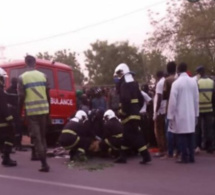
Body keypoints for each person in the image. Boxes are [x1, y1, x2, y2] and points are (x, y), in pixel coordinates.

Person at [113, 63, 151, 164]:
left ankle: (146, 155)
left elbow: (125, 99)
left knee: (135, 136)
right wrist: (136, 109)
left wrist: (122, 111)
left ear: (122, 73)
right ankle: (123, 156)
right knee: (126, 136)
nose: (117, 78)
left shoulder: (124, 84)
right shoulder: (134, 83)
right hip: (134, 114)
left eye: (118, 74)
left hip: (128, 115)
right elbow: (140, 99)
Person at [18, 55, 50, 172]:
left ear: (25, 63)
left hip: (32, 113)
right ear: (35, 63)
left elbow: (21, 97)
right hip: (44, 111)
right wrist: (49, 112)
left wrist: (19, 113)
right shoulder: (44, 76)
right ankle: (44, 160)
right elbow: (48, 95)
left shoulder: (22, 78)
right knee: (42, 137)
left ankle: (44, 164)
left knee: (37, 138)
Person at [168, 62, 199, 163]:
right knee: (190, 135)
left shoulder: (176, 83)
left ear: (178, 70)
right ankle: (191, 157)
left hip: (180, 114)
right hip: (191, 113)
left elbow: (172, 102)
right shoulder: (193, 82)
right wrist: (196, 114)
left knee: (182, 136)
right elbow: (196, 99)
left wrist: (170, 115)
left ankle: (184, 157)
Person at [196, 66, 215, 153]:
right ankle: (210, 147)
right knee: (209, 128)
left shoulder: (197, 82)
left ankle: (198, 146)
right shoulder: (212, 82)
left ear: (199, 73)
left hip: (199, 108)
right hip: (209, 108)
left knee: (198, 128)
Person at [0, 68, 17, 167]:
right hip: (3, 121)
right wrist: (11, 120)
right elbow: (3, 107)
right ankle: (6, 158)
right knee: (10, 137)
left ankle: (5, 157)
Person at [163, 61, 179, 158]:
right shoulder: (178, 79)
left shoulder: (167, 80)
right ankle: (178, 151)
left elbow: (164, 95)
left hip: (169, 106)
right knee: (178, 130)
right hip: (179, 106)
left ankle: (170, 152)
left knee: (169, 130)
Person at [6, 77, 27, 151]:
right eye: (15, 83)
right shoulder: (8, 91)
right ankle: (15, 145)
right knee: (14, 129)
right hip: (11, 112)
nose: (16, 84)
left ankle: (18, 145)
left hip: (16, 112)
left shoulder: (16, 91)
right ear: (12, 83)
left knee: (18, 129)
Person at [153, 71, 167, 157]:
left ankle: (161, 150)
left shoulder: (159, 83)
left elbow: (159, 97)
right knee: (164, 130)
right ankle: (165, 148)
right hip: (166, 108)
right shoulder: (166, 81)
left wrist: (156, 111)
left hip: (160, 110)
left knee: (158, 131)